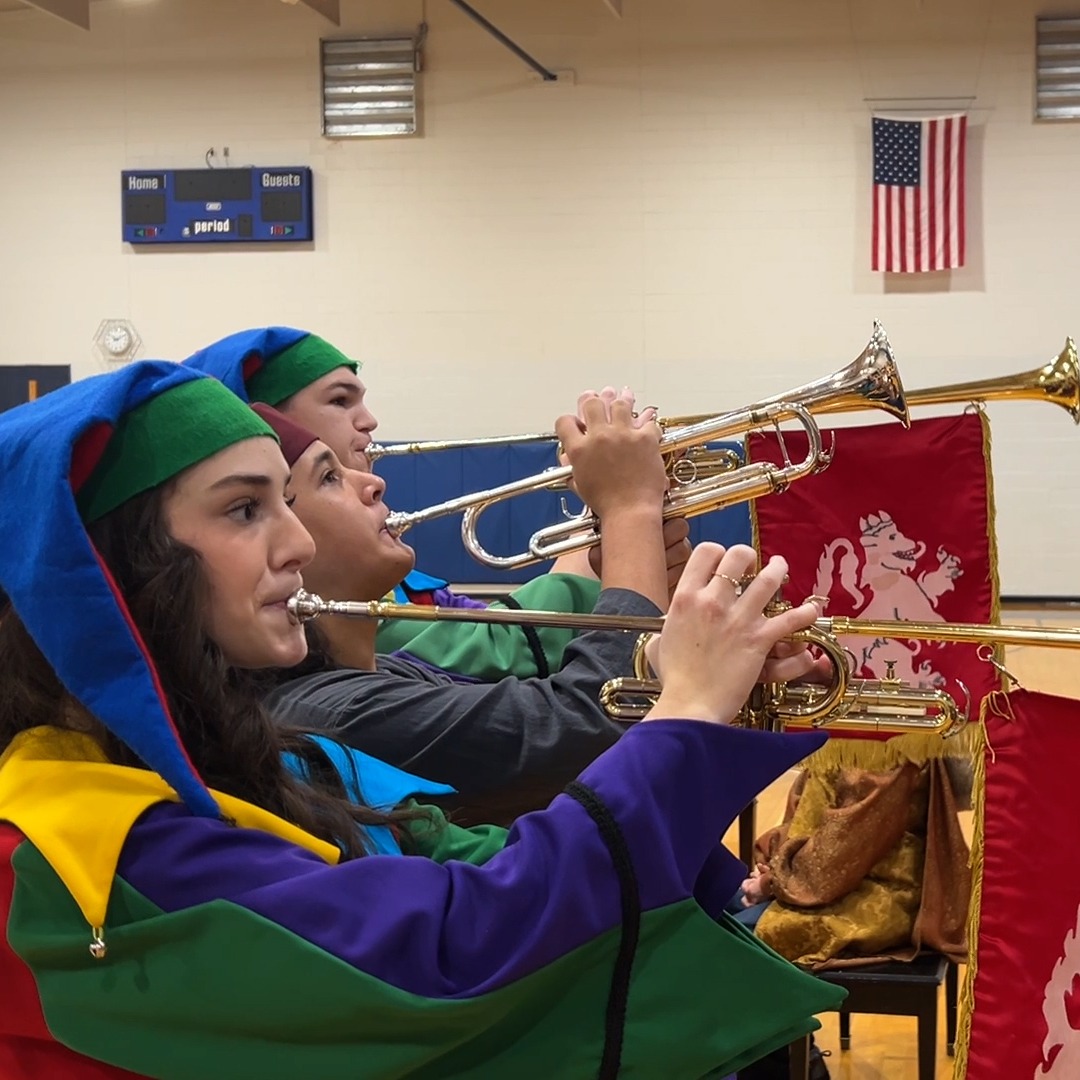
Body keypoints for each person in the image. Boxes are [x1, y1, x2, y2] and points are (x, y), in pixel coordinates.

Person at [0, 360, 845, 1078]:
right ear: (106, 570)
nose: (295, 544)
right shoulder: (89, 844)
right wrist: (683, 719)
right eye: (244, 509)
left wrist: (704, 716)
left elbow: (445, 854)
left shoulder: (211, 756)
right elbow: (454, 951)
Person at [252, 401, 826, 824]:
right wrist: (630, 509)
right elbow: (594, 721)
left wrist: (714, 661)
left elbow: (561, 706)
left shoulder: (385, 675)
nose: (374, 482)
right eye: (329, 476)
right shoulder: (324, 710)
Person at [184, 326, 692, 679]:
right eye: (340, 401)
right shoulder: (316, 597)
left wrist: (619, 537)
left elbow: (489, 623)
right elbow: (508, 657)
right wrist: (626, 511)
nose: (370, 422)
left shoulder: (384, 571)